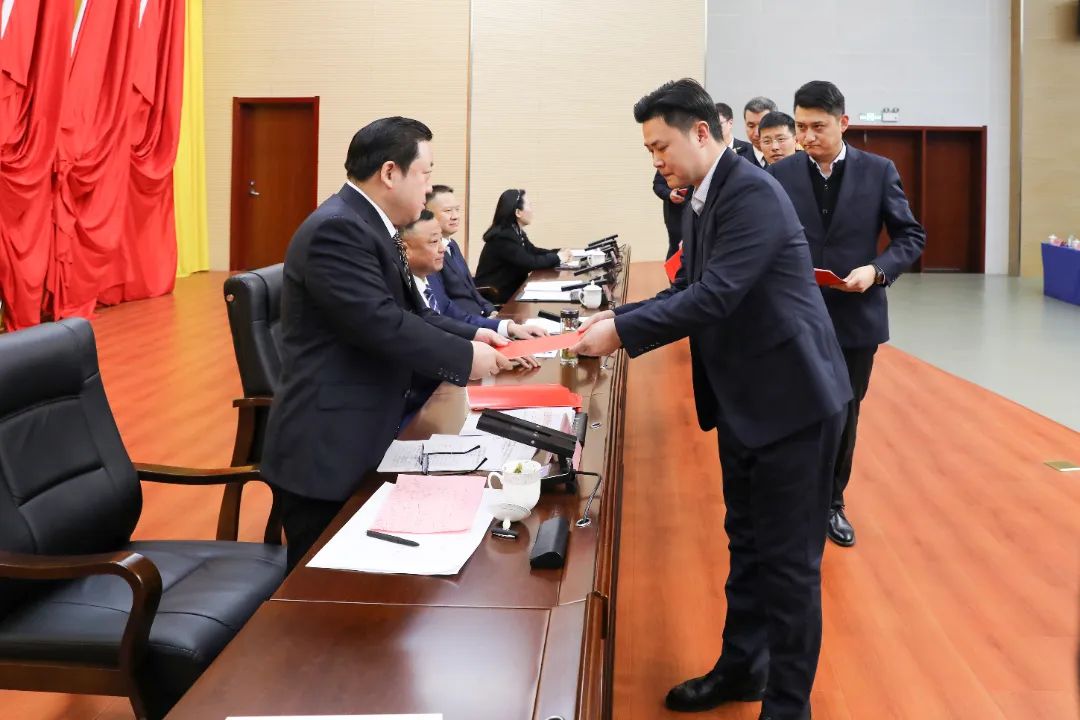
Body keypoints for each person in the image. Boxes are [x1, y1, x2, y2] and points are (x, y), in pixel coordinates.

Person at [571, 79, 850, 720]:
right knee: (746, 545)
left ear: (701, 132)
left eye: (660, 147)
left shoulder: (750, 193)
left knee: (789, 568)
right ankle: (743, 668)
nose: (656, 161)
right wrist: (619, 317)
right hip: (746, 403)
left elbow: (716, 295)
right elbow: (689, 286)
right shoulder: (703, 196)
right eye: (649, 151)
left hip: (795, 405)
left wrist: (621, 334)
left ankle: (788, 707)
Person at [261, 117, 514, 571]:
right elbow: (381, 323)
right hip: (329, 447)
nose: (429, 188)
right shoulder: (338, 229)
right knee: (324, 590)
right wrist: (465, 358)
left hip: (369, 426)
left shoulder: (370, 225)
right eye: (426, 174)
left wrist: (476, 334)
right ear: (391, 173)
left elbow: (413, 313)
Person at [769, 81, 925, 548]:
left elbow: (910, 237)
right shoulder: (780, 175)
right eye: (800, 127)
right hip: (795, 315)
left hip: (856, 315)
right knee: (796, 408)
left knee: (844, 411)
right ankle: (794, 497)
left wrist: (876, 271)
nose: (807, 137)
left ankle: (831, 502)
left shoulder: (879, 171)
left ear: (844, 123)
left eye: (818, 127)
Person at [474, 189, 572, 303]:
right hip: (496, 296)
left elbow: (532, 251)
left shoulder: (515, 231)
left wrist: (557, 252)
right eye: (529, 205)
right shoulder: (503, 237)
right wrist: (558, 257)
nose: (532, 210)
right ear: (518, 212)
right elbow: (529, 262)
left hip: (513, 291)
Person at [426, 184, 497, 317]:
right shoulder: (429, 252)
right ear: (427, 213)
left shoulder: (452, 244)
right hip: (466, 323)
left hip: (482, 317)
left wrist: (490, 310)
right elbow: (444, 305)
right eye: (448, 211)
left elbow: (471, 289)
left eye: (457, 210)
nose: (455, 216)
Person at [736, 96, 778, 168]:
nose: (756, 133)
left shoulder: (791, 156)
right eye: (751, 126)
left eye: (763, 125)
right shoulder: (736, 159)